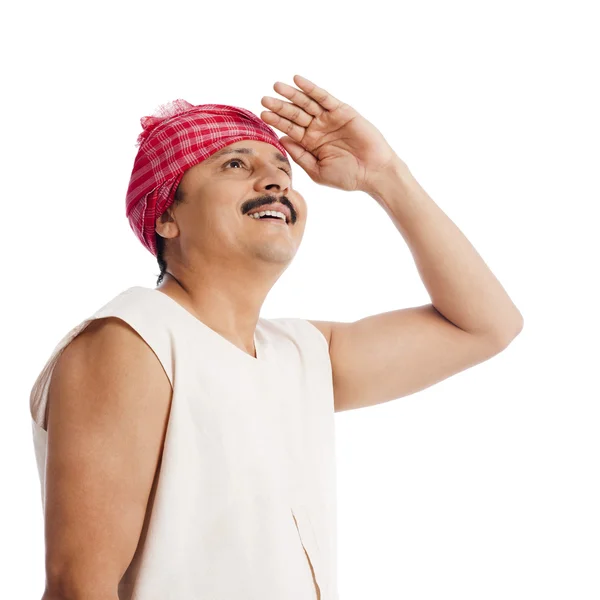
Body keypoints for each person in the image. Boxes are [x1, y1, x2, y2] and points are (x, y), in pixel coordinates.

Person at [30, 74, 523, 600]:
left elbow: (488, 325)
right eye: (236, 165)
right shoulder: (132, 341)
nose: (276, 183)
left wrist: (386, 176)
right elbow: (78, 587)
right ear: (167, 214)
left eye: (283, 171)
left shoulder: (300, 354)